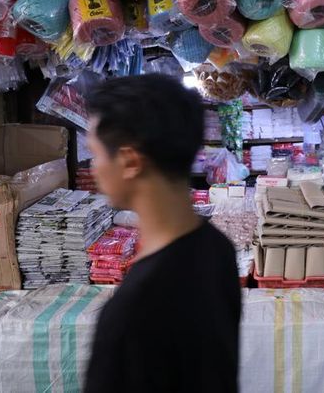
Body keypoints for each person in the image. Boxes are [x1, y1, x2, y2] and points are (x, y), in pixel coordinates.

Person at [84, 74, 240, 393]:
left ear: (129, 161)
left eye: (95, 154)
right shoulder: (216, 247)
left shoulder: (131, 313)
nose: (93, 168)